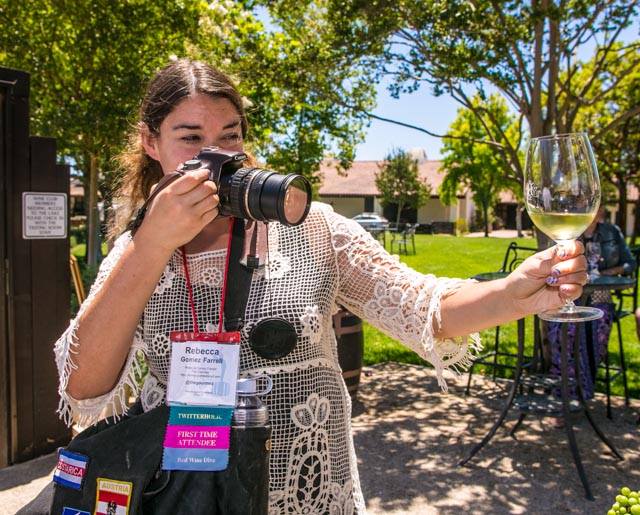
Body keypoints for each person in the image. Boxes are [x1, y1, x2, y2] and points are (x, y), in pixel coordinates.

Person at [54, 58, 587, 514]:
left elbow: (423, 306)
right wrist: (151, 246)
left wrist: (512, 293)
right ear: (151, 142)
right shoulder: (135, 250)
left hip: (309, 492)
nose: (216, 157)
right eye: (191, 139)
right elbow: (84, 386)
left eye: (230, 136)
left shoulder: (311, 228)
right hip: (186, 493)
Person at [547, 206, 635, 400]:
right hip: (569, 298)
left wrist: (606, 273)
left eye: (594, 207)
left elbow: (631, 263)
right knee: (563, 333)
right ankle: (564, 395)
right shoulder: (568, 234)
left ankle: (584, 393)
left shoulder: (611, 232)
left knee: (596, 332)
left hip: (599, 299)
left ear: (600, 211)